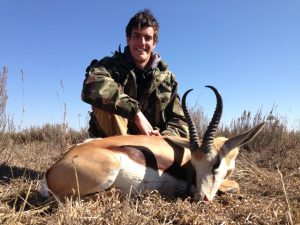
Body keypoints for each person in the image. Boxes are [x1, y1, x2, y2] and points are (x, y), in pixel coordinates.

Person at [81, 9, 188, 138]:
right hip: (112, 144)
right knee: (105, 103)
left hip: (153, 145)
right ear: (128, 39)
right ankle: (124, 154)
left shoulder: (168, 79)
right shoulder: (109, 66)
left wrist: (163, 138)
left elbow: (180, 121)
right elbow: (91, 85)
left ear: (154, 43)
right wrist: (134, 112)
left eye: (148, 38)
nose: (142, 43)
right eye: (137, 36)